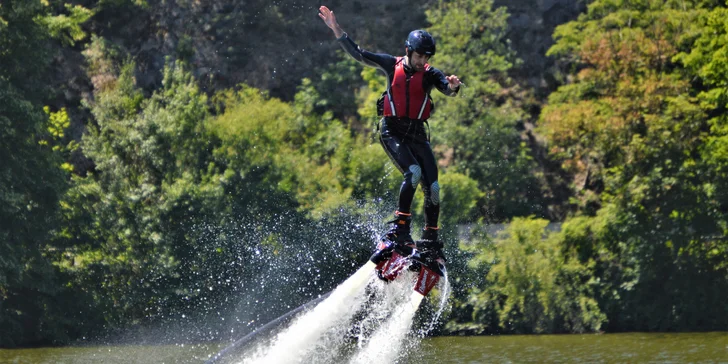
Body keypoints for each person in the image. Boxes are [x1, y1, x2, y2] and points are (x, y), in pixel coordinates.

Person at [319, 6, 462, 251]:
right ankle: (401, 227)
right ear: (409, 51)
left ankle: (430, 237)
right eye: (419, 56)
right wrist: (336, 29)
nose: (423, 61)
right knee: (414, 172)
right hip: (392, 131)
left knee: (434, 187)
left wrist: (453, 87)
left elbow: (446, 89)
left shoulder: (430, 74)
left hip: (416, 133)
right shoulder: (390, 64)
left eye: (427, 57)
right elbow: (360, 54)